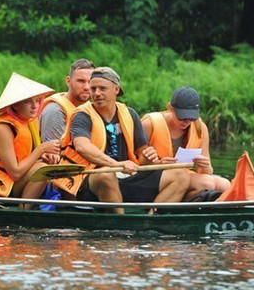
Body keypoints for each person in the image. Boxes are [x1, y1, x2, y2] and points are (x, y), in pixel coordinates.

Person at [59, 67, 189, 214]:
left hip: (126, 175)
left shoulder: (129, 113)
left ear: (116, 89)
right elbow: (82, 147)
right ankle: (121, 226)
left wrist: (152, 158)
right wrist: (116, 164)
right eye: (93, 88)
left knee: (181, 175)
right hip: (92, 178)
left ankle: (151, 218)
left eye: (102, 88)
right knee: (106, 175)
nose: (96, 93)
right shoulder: (82, 115)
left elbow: (142, 155)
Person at [0, 72, 60, 206]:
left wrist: (43, 156)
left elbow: (25, 158)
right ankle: (23, 212)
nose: (35, 106)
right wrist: (40, 150)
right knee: (42, 170)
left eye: (38, 100)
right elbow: (15, 172)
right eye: (28, 101)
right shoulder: (2, 128)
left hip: (11, 183)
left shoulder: (29, 122)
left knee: (45, 166)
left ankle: (27, 209)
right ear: (15, 105)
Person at [142, 86, 231, 201]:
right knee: (207, 183)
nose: (186, 122)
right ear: (171, 109)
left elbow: (206, 172)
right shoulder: (149, 123)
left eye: (191, 117)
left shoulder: (201, 128)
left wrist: (206, 165)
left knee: (225, 185)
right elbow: (134, 164)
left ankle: (193, 203)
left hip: (184, 176)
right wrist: (158, 163)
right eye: (182, 117)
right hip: (154, 176)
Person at [40, 58, 95, 141]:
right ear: (68, 81)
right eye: (81, 81)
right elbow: (53, 152)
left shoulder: (91, 109)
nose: (87, 87)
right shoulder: (55, 111)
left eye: (90, 82)